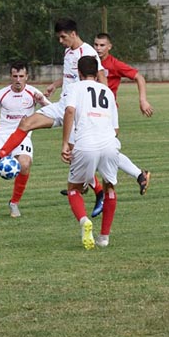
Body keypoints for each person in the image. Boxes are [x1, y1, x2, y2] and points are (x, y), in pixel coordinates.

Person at [0, 18, 108, 217]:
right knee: (26, 123)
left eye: (63, 37)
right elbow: (69, 76)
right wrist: (55, 84)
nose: (60, 41)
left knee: (75, 158)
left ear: (73, 34)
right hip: (62, 105)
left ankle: (100, 194)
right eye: (59, 37)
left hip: (78, 112)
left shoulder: (87, 52)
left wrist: (103, 105)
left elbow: (101, 78)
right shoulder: (68, 52)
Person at [61, 55, 120, 249]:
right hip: (110, 143)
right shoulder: (107, 91)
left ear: (78, 72)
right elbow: (116, 128)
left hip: (86, 144)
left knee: (73, 188)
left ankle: (84, 221)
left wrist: (65, 144)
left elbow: (69, 111)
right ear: (97, 73)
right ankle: (104, 237)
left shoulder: (74, 88)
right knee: (109, 187)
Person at [0, 61, 50, 217]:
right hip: (3, 133)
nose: (18, 79)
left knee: (25, 164)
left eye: (21, 76)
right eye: (15, 76)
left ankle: (14, 203)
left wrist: (42, 100)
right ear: (10, 76)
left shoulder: (33, 93)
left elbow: (52, 111)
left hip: (23, 134)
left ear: (27, 77)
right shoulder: (1, 94)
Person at [93, 32, 152, 193]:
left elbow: (139, 77)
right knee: (102, 151)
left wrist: (142, 100)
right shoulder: (90, 61)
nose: (98, 48)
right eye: (96, 45)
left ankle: (83, 186)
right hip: (91, 113)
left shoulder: (114, 64)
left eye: (102, 45)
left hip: (108, 114)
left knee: (103, 151)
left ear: (109, 47)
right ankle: (140, 175)